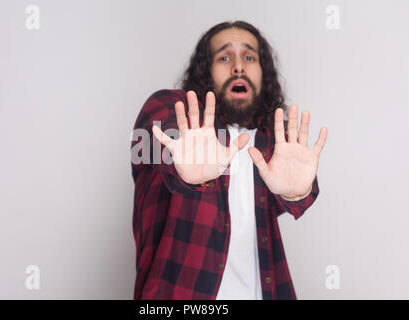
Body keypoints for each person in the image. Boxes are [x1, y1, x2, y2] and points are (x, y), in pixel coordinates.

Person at [130, 20, 328, 300]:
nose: (238, 66)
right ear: (205, 71)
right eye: (224, 57)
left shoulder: (271, 139)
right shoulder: (170, 109)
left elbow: (297, 192)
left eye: (249, 57)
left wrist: (298, 192)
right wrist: (181, 166)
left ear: (263, 73)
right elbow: (158, 138)